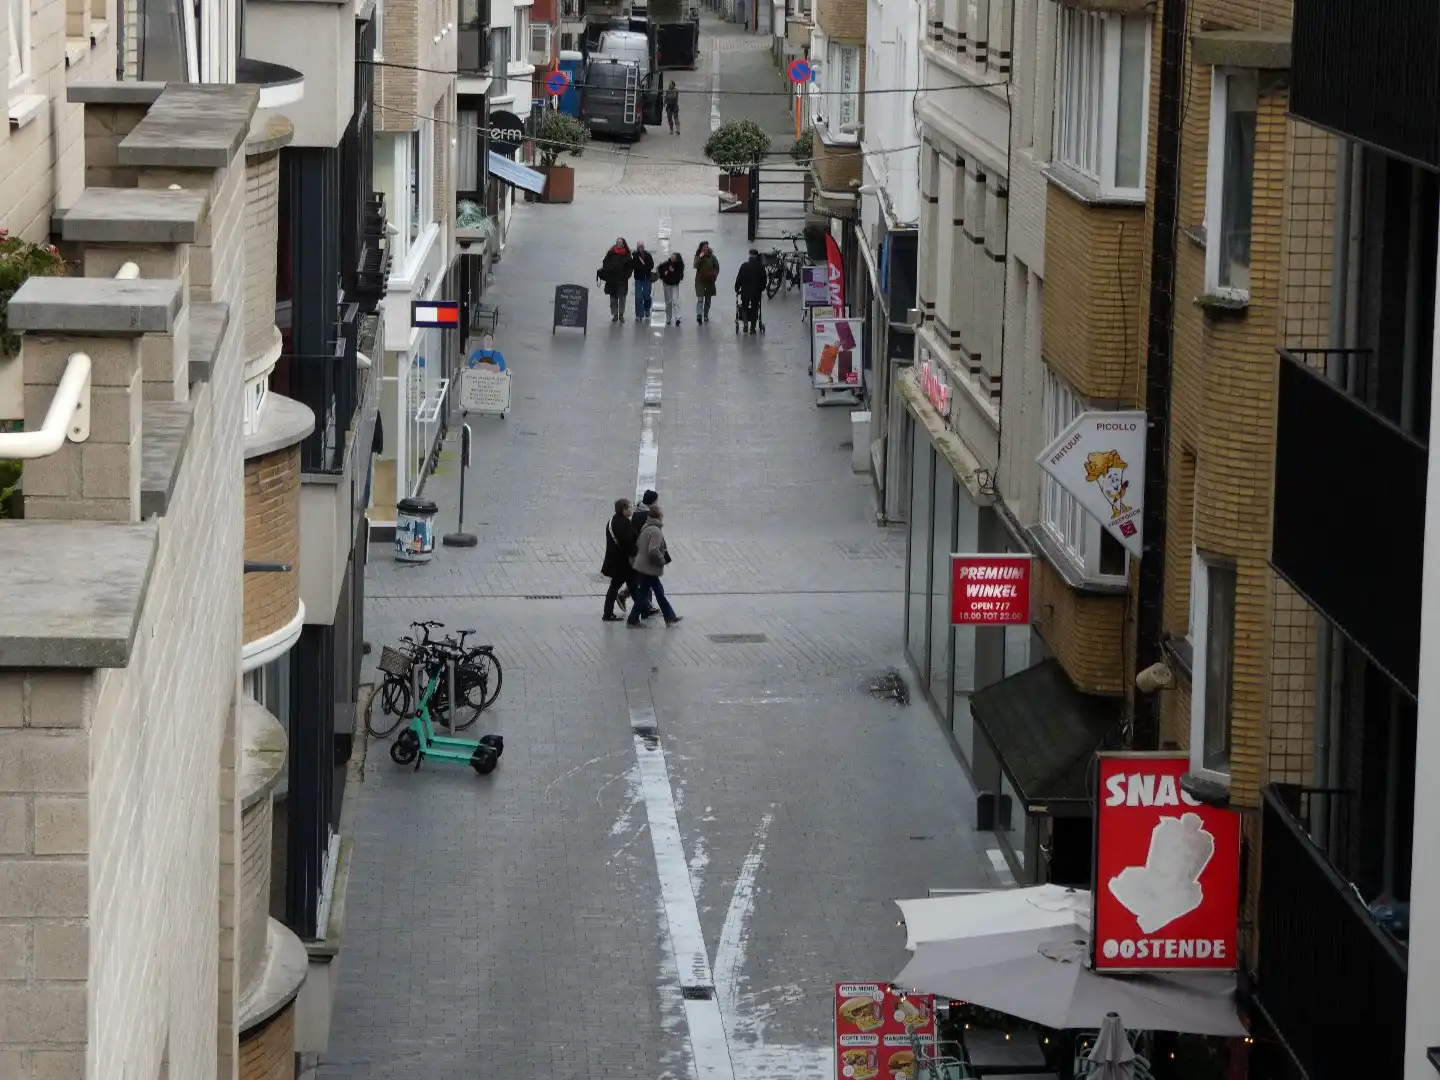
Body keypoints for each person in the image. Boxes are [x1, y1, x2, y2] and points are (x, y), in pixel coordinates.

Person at [627, 504, 682, 628]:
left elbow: (639, 543)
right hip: (649, 567)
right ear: (659, 516)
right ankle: (668, 617)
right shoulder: (655, 530)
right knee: (655, 593)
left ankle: (668, 617)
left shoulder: (647, 526)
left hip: (644, 565)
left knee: (648, 593)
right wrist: (661, 560)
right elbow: (653, 550)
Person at [622, 489, 661, 617]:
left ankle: (646, 606)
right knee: (646, 580)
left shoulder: (638, 512)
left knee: (644, 579)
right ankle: (643, 607)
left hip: (638, 551)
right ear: (653, 501)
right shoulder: (646, 515)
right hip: (643, 552)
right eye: (656, 501)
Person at [601, 498, 637, 621]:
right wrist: (636, 552)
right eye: (629, 508)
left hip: (615, 561)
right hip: (623, 562)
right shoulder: (625, 524)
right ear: (624, 509)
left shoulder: (612, 521)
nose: (631, 510)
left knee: (628, 586)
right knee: (625, 586)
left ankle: (642, 609)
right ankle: (608, 614)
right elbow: (629, 544)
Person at [598, 238, 633, 322]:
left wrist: (626, 276)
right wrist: (609, 269)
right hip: (612, 280)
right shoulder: (611, 253)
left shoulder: (627, 255)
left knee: (622, 298)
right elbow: (605, 263)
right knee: (613, 299)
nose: (618, 244)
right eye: (617, 242)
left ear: (623, 244)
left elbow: (630, 268)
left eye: (620, 242)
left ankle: (621, 314)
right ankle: (614, 314)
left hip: (622, 280)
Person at [734, 249, 766, 333]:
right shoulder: (761, 267)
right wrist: (761, 288)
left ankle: (745, 324)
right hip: (756, 292)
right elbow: (764, 280)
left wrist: (737, 288)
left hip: (745, 291)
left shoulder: (744, 266)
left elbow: (739, 278)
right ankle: (752, 328)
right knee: (755, 308)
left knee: (744, 306)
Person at [693, 242, 719, 325]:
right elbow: (695, 266)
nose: (705, 249)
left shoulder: (712, 257)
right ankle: (699, 315)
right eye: (704, 247)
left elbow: (717, 266)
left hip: (709, 281)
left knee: (708, 300)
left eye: (706, 247)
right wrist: (700, 258)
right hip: (700, 280)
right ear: (701, 248)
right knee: (700, 299)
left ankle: (706, 315)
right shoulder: (698, 256)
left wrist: (714, 274)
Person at [659, 253, 686, 325]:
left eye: (674, 258)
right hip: (667, 284)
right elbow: (660, 271)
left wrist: (673, 271)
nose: (672, 258)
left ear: (677, 259)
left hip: (675, 285)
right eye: (671, 257)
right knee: (668, 302)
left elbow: (680, 276)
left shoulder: (679, 266)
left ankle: (678, 317)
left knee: (675, 301)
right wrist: (664, 273)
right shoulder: (666, 264)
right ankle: (668, 318)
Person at [632, 241, 657, 321]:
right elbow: (634, 266)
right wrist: (644, 268)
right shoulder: (635, 256)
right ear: (637, 248)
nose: (641, 248)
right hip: (638, 279)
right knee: (638, 297)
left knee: (646, 296)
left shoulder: (648, 255)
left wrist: (644, 268)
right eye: (639, 247)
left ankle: (646, 309)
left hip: (647, 279)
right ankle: (639, 315)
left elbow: (651, 264)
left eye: (642, 246)